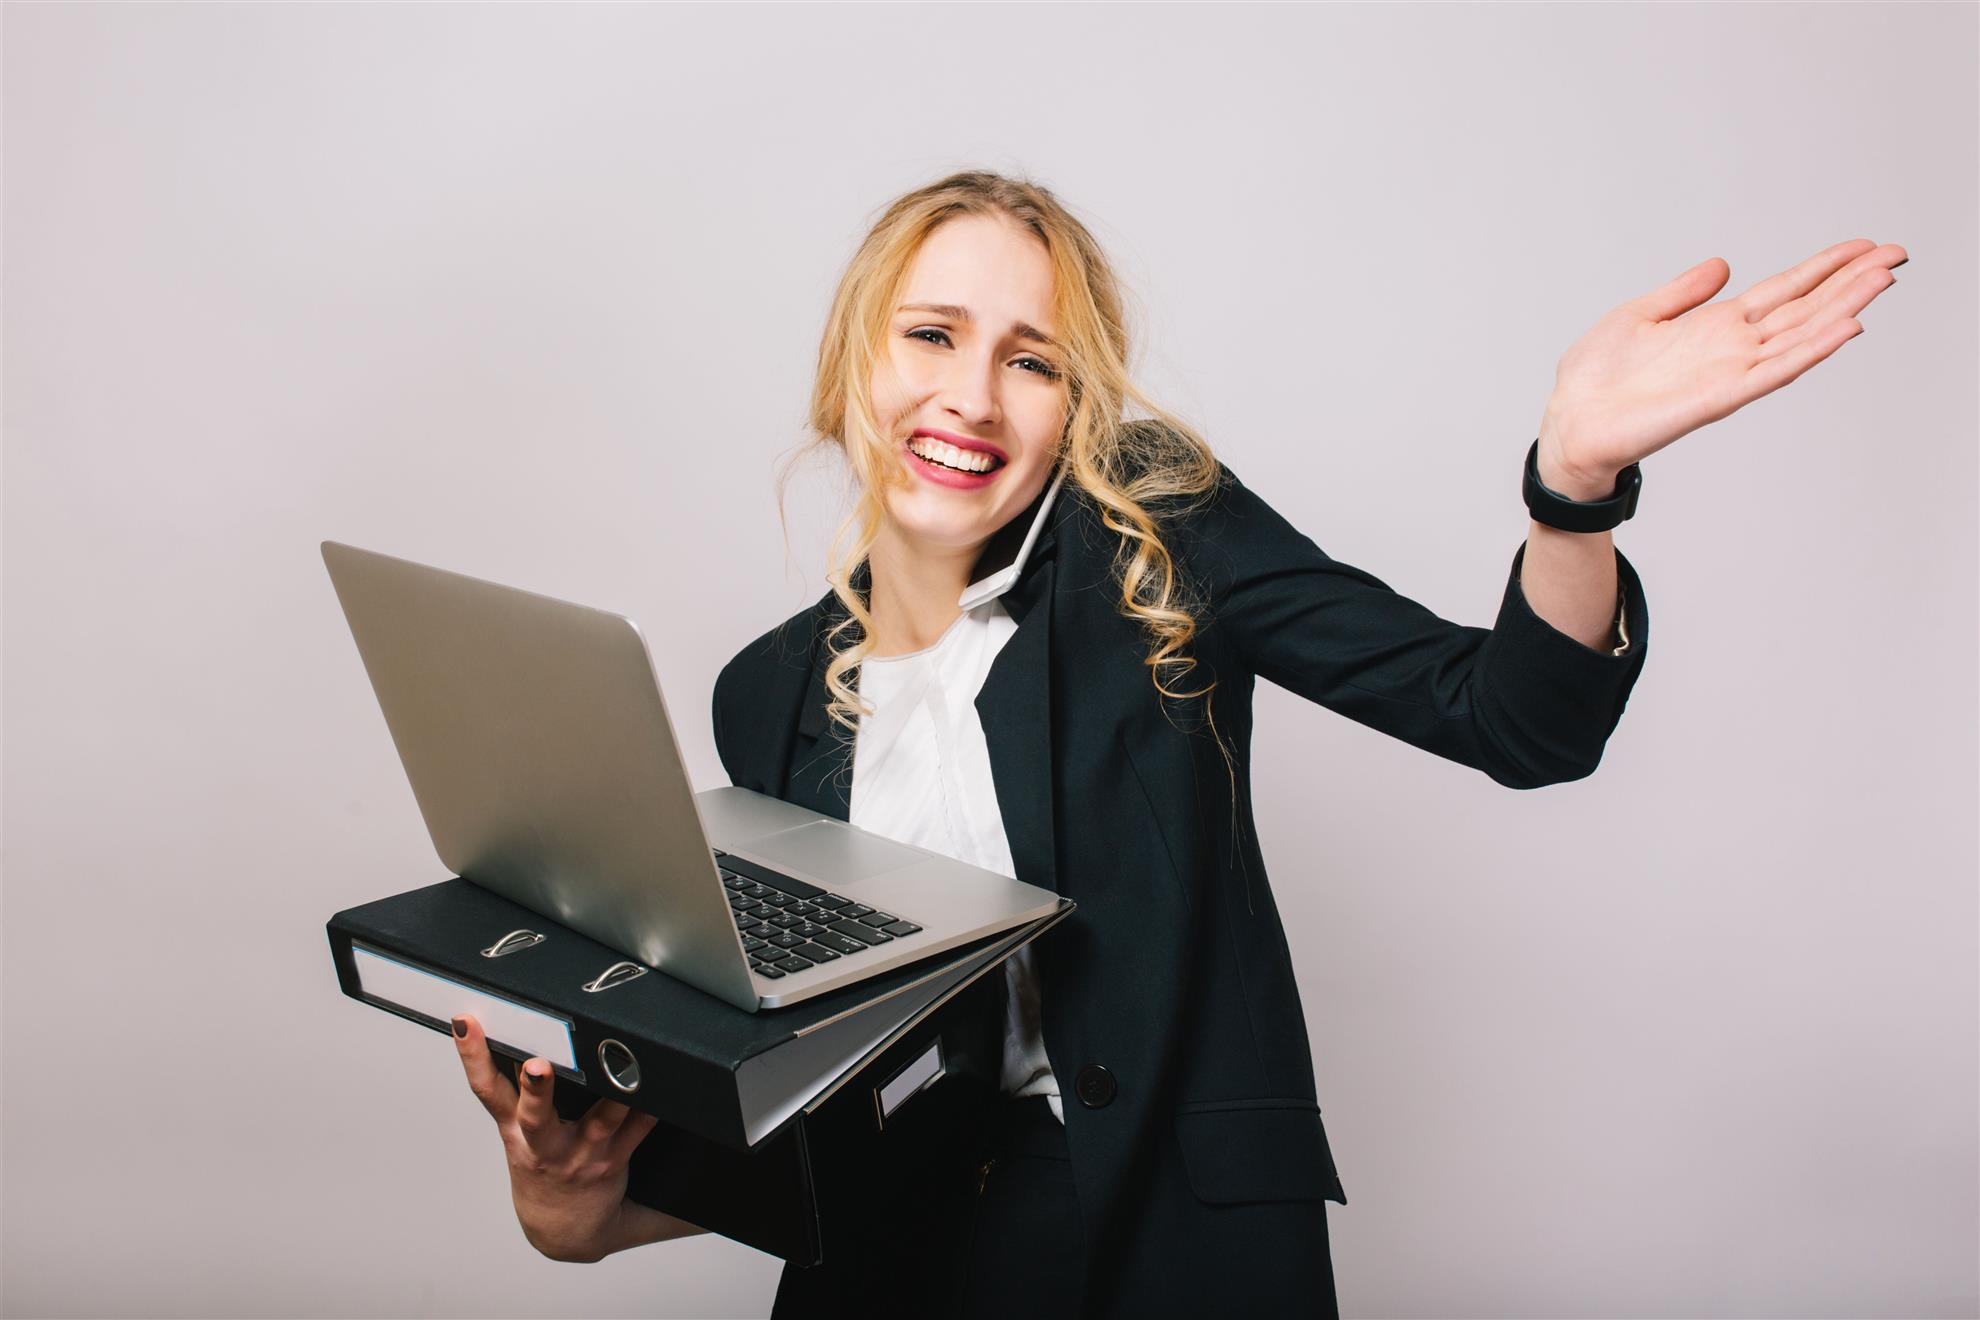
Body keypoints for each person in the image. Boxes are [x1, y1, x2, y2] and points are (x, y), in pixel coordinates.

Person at [450, 171, 1905, 1317]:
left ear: (1072, 403)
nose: (972, 396)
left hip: (1168, 1245)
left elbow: (1514, 719)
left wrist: (1572, 488)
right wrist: (585, 1204)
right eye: (932, 335)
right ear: (852, 361)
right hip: (892, 1263)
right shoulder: (765, 693)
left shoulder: (1159, 536)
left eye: (1031, 360)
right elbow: (812, 1106)